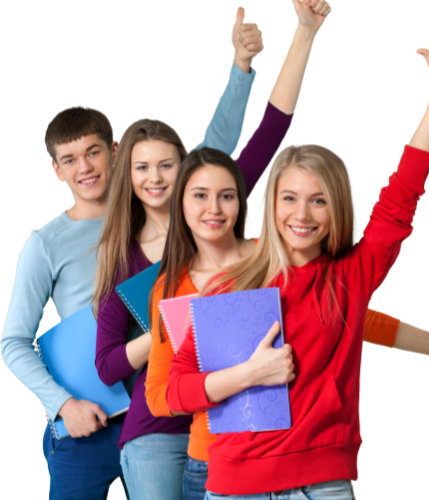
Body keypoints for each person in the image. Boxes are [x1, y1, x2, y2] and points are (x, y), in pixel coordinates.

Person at [166, 36, 429, 498]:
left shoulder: (350, 278)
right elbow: (175, 393)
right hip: (235, 487)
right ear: (271, 204)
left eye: (318, 201)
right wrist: (249, 374)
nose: (301, 215)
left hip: (321, 484)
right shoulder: (231, 286)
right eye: (289, 198)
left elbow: (402, 195)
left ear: (336, 209)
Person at [1, 8, 262, 499]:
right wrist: (62, 406)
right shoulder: (46, 243)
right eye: (70, 160)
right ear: (56, 170)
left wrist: (241, 67)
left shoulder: (170, 211)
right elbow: (13, 341)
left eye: (94, 152)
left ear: (116, 150)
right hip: (90, 421)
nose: (86, 167)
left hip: (170, 410)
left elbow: (216, 149)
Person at [95, 3, 334, 498]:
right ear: (127, 173)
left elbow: (272, 129)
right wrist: (179, 324)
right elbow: (109, 366)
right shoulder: (126, 259)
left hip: (236, 423)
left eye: (167, 166)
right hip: (159, 432)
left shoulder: (216, 211)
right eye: (141, 168)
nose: (155, 178)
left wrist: (302, 34)